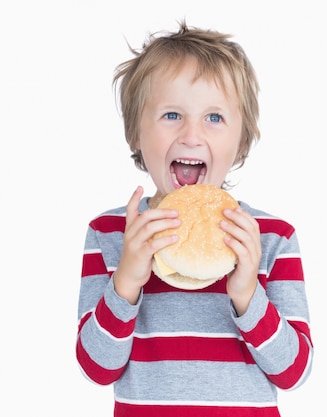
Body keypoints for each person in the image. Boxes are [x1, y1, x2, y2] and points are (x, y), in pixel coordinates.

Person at [76, 21, 313, 417]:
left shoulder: (270, 237)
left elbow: (294, 372)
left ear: (241, 140)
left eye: (214, 118)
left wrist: (247, 293)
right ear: (135, 131)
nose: (191, 135)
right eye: (172, 114)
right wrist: (128, 280)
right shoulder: (111, 234)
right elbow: (97, 369)